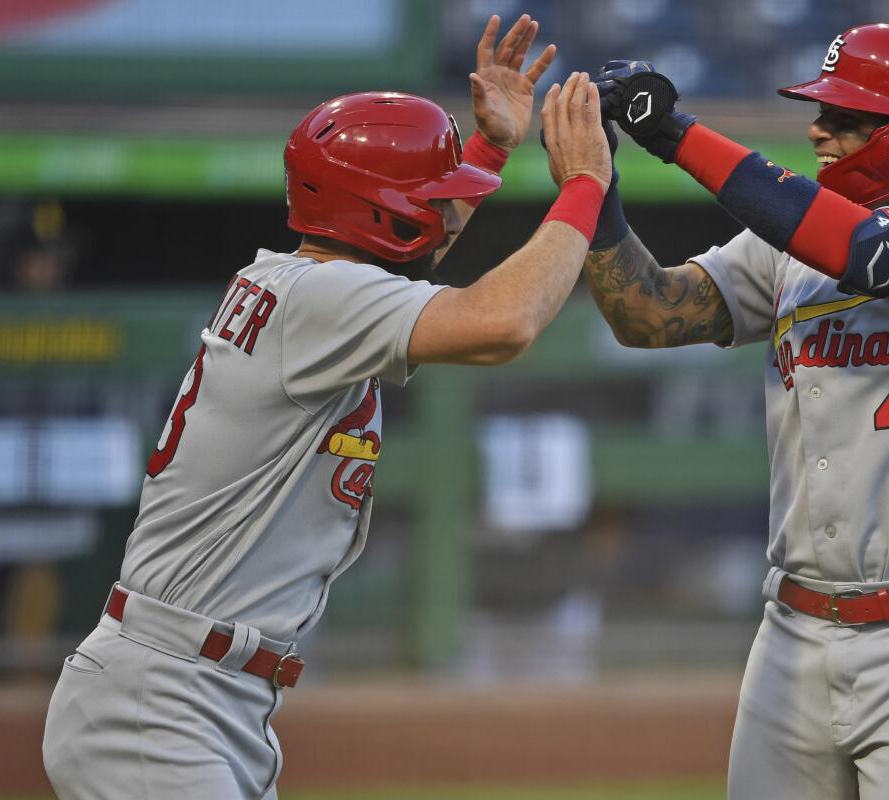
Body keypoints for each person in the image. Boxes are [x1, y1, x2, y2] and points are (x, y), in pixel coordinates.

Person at [41, 14, 612, 800]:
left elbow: (411, 254)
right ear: (379, 210)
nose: (445, 212)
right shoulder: (322, 299)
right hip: (162, 701)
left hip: (195, 692)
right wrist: (584, 186)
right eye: (429, 197)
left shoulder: (307, 285)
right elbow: (502, 321)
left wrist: (488, 151)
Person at [584, 24, 889, 800]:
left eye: (847, 117)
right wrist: (594, 187)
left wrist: (675, 135)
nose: (818, 130)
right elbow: (646, 313)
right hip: (793, 633)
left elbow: (869, 252)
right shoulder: (788, 245)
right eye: (824, 111)